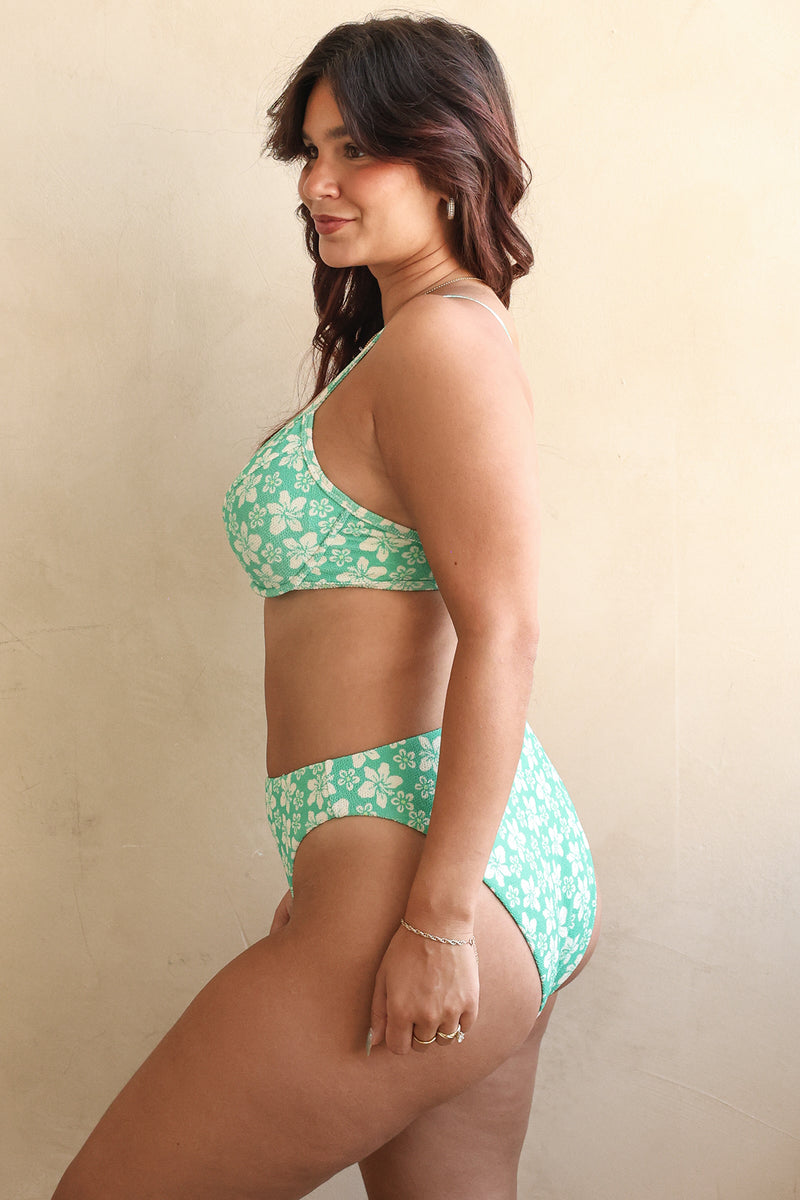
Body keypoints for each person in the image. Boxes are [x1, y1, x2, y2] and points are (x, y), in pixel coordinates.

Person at [53, 14, 599, 1200]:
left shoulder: (440, 344)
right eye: (310, 151)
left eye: (356, 149)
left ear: (449, 154)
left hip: (434, 874)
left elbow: (504, 628)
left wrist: (434, 918)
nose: (317, 184)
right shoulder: (415, 339)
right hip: (429, 855)